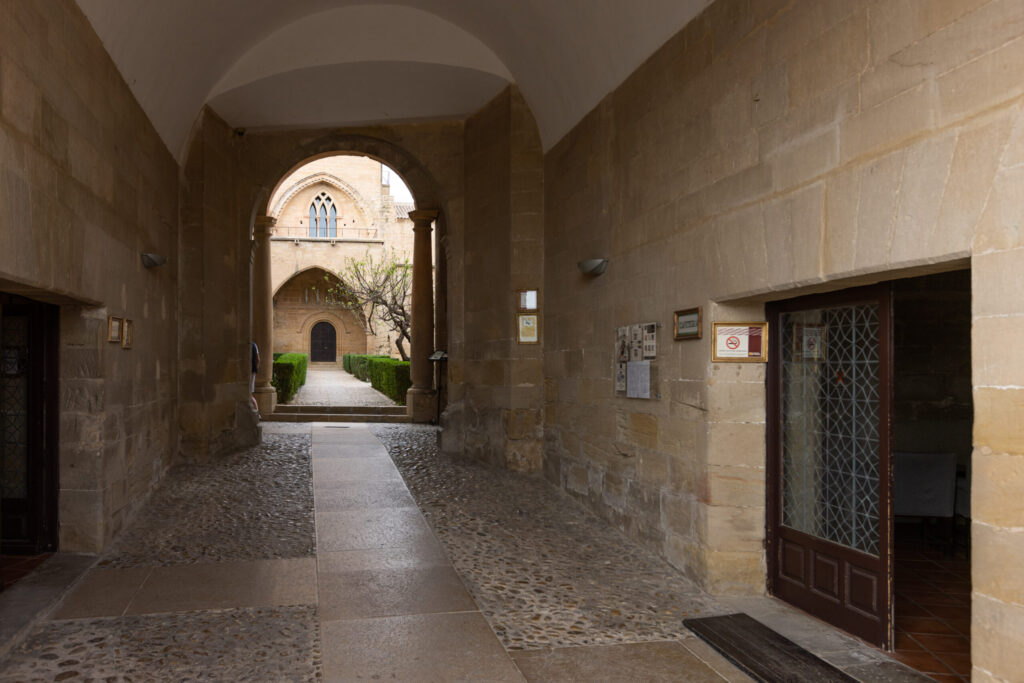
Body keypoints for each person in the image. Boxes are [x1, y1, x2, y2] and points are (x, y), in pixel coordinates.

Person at [250, 341, 260, 413]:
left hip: (248, 372)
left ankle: (257, 412)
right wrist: (256, 368)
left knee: (249, 394)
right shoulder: (254, 345)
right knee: (249, 394)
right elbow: (258, 359)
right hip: (253, 371)